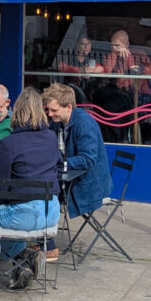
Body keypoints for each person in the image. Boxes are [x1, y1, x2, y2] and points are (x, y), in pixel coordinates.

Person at [0, 87, 62, 289]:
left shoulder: (9, 143)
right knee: (3, 212)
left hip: (23, 214)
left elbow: (1, 192)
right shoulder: (51, 137)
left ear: (16, 111)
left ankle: (21, 255)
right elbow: (58, 168)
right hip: (51, 212)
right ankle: (22, 263)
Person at [42, 82, 111, 261]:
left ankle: (48, 245)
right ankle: (43, 240)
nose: (50, 114)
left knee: (45, 195)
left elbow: (88, 159)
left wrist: (60, 163)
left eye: (54, 110)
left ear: (69, 107)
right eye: (48, 110)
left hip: (88, 186)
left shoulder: (84, 124)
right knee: (40, 191)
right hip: (70, 179)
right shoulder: (58, 122)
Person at [102, 29, 151, 102]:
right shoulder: (111, 56)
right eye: (112, 45)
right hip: (120, 94)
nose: (113, 48)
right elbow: (107, 72)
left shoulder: (139, 54)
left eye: (117, 45)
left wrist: (141, 68)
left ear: (126, 44)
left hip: (141, 93)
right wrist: (114, 54)